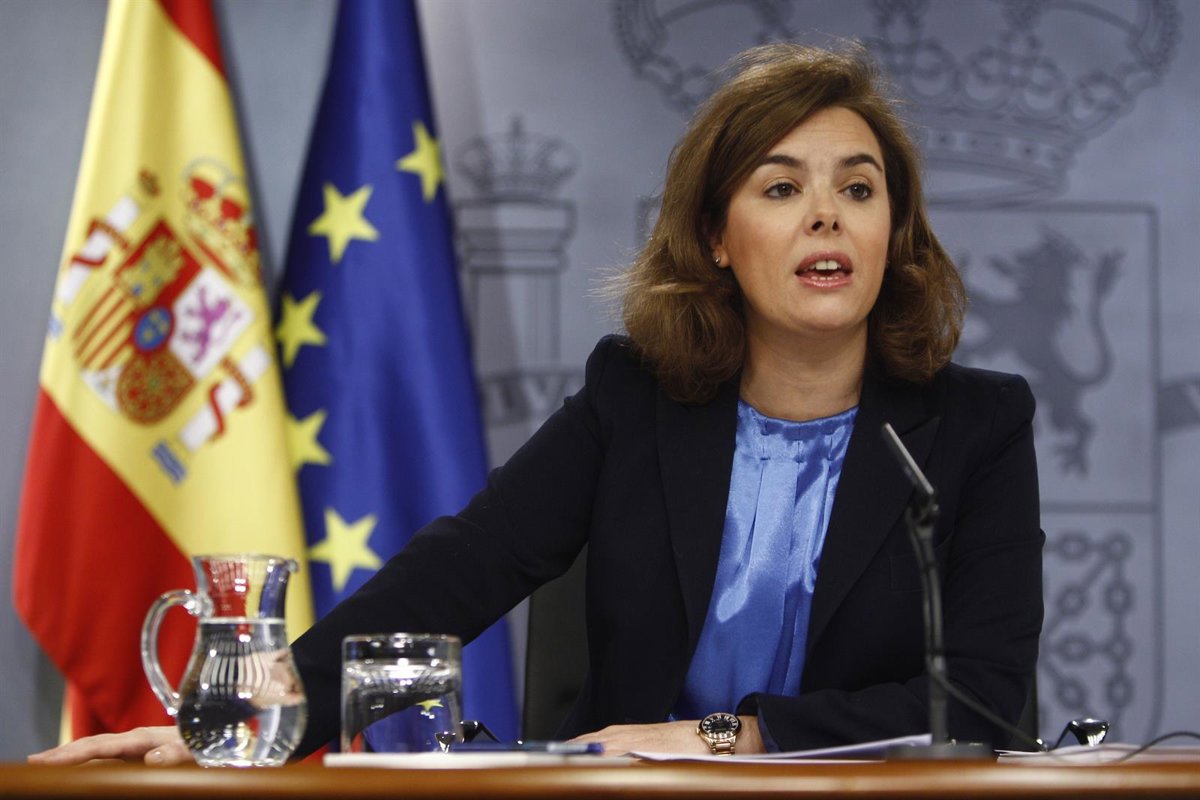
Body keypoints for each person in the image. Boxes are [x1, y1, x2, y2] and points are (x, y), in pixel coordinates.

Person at [30, 42, 1042, 765]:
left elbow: (983, 701)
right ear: (716, 238)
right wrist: (254, 713)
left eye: (858, 189)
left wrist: (725, 735)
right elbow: (460, 568)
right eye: (781, 189)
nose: (827, 213)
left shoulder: (977, 429)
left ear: (893, 230)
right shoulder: (636, 401)